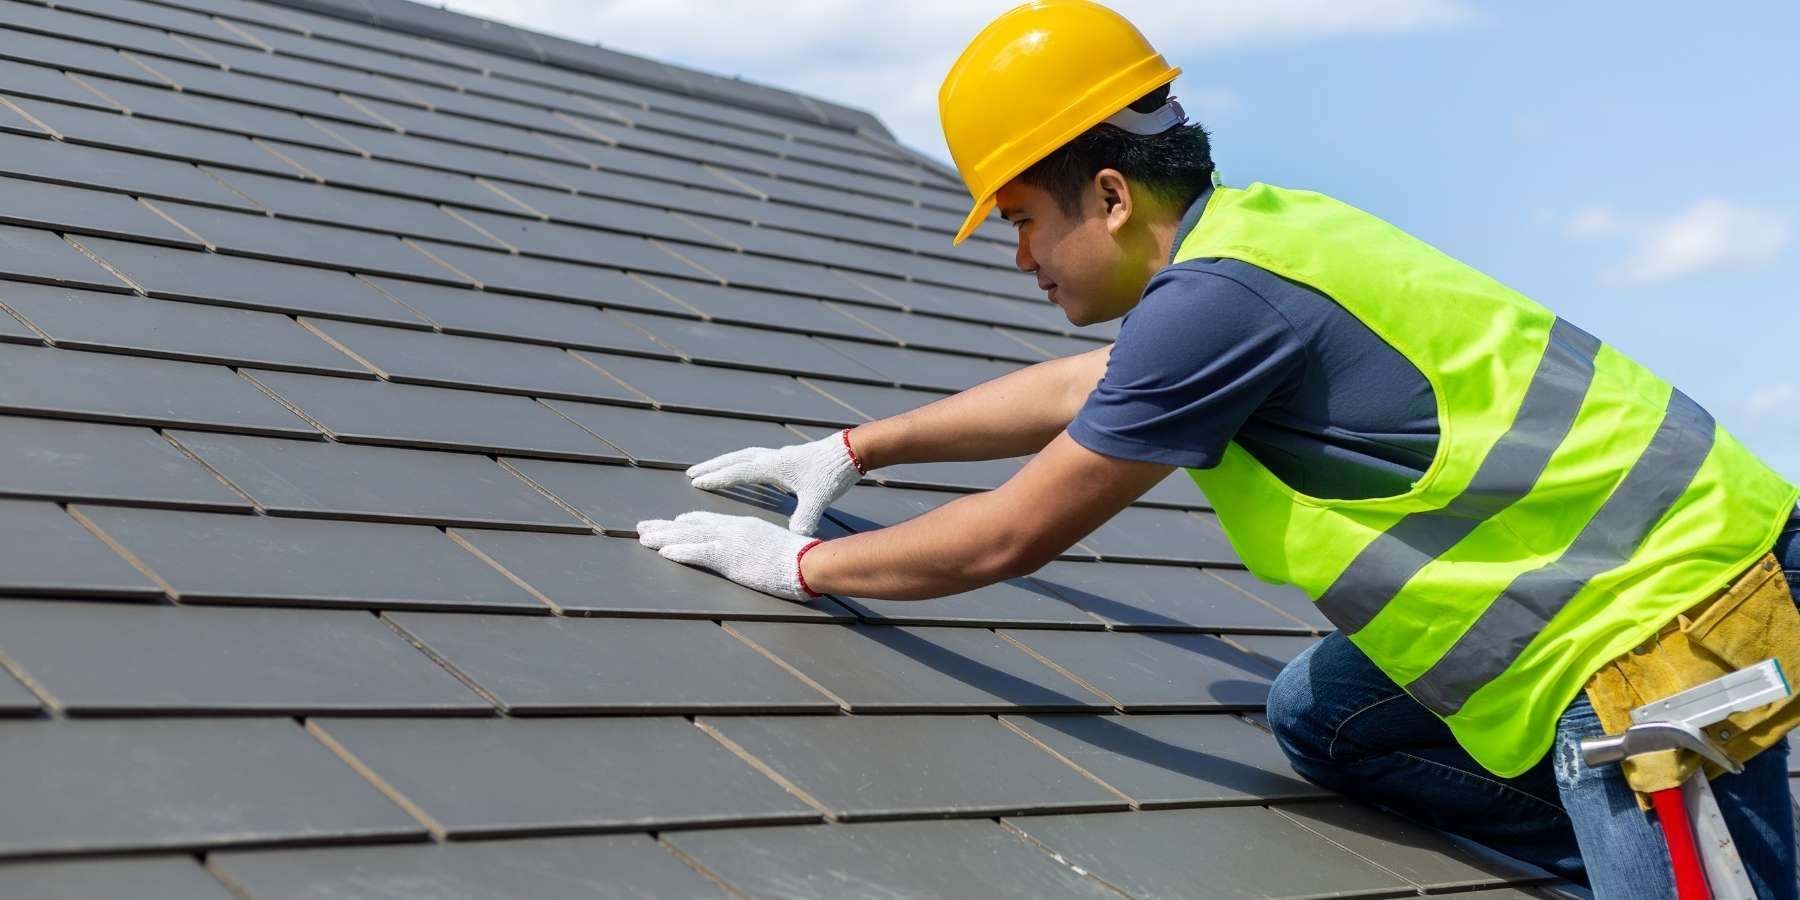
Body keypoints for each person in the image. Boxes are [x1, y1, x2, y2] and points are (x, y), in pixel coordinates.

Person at [634, 2, 1800, 895]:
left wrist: (797, 568)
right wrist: (854, 449)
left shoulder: (1217, 304)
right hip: (1610, 593)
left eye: (1024, 222)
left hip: (1666, 636)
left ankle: (1689, 839)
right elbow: (1086, 386)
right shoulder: (1255, 241)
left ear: (1104, 195)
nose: (1018, 258)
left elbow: (1014, 532)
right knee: (1321, 717)